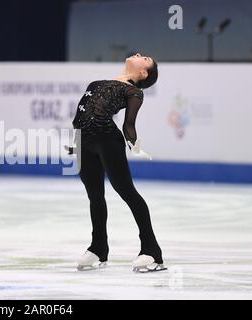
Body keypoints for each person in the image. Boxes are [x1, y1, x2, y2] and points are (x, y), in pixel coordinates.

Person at [67, 52, 166, 273]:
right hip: (84, 141)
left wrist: (134, 144)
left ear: (143, 73)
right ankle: (98, 248)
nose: (140, 54)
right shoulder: (96, 83)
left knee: (127, 192)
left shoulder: (134, 91)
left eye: (145, 58)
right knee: (94, 196)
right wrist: (75, 142)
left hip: (107, 140)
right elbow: (80, 115)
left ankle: (152, 251)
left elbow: (128, 125)